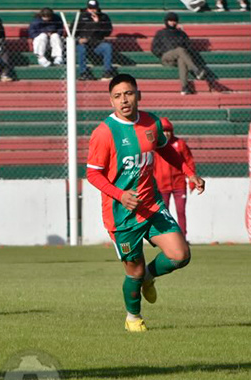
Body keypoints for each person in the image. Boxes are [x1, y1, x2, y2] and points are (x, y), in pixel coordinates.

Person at [86, 74, 205, 332]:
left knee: (180, 255)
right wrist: (120, 195)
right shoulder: (104, 133)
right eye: (117, 96)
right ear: (111, 101)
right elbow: (93, 174)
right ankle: (133, 317)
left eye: (128, 94)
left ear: (138, 95)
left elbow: (166, 149)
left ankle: (149, 278)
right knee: (134, 271)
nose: (124, 100)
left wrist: (189, 173)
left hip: (151, 205)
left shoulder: (151, 122)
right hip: (122, 215)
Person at [154, 117, 196, 236]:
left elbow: (189, 162)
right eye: (163, 131)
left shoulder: (180, 144)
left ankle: (182, 237)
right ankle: (167, 238)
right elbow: (152, 166)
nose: (166, 133)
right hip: (162, 185)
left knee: (181, 211)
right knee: (164, 213)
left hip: (179, 184)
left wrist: (192, 181)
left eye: (168, 131)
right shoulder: (155, 146)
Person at [151, 12, 211, 95]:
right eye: (170, 20)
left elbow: (189, 47)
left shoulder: (181, 34)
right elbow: (154, 48)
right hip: (166, 57)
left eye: (174, 21)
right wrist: (162, 52)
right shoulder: (160, 33)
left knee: (181, 59)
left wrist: (185, 52)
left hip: (179, 58)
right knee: (180, 50)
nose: (172, 22)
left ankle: (184, 88)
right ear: (166, 21)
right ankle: (196, 70)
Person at [75, 0, 114, 81]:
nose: (92, 10)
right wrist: (79, 40)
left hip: (97, 44)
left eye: (94, 8)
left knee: (107, 47)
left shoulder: (103, 17)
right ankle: (83, 73)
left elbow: (108, 32)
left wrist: (98, 23)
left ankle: (107, 72)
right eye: (90, 8)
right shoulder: (80, 16)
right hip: (84, 44)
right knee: (81, 48)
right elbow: (73, 31)